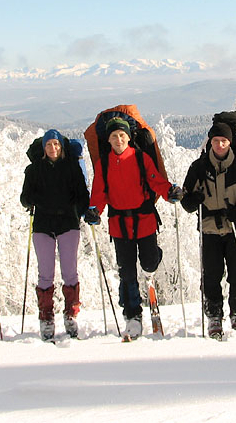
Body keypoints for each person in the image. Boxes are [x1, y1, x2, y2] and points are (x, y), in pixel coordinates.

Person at [85, 117, 183, 340]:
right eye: (113, 136)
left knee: (149, 262)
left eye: (121, 135)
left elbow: (155, 181)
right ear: (108, 140)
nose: (118, 139)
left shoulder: (141, 158)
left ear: (129, 137)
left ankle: (151, 266)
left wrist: (169, 192)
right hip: (119, 226)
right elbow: (99, 192)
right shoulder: (104, 164)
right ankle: (132, 315)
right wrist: (94, 211)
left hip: (145, 220)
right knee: (127, 272)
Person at [180, 122, 236, 338]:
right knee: (211, 275)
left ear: (230, 142)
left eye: (223, 141)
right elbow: (186, 202)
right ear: (210, 142)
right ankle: (214, 315)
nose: (220, 144)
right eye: (216, 141)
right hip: (209, 230)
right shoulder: (199, 167)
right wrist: (192, 199)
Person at [20, 129, 90, 341]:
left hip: (68, 222)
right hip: (43, 224)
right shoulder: (33, 170)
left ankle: (71, 314)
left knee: (70, 272)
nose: (53, 148)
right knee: (45, 273)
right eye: (49, 145)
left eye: (56, 144)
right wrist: (30, 200)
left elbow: (82, 194)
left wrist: (82, 209)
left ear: (61, 147)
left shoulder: (72, 168)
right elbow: (24, 197)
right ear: (43, 148)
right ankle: (46, 316)